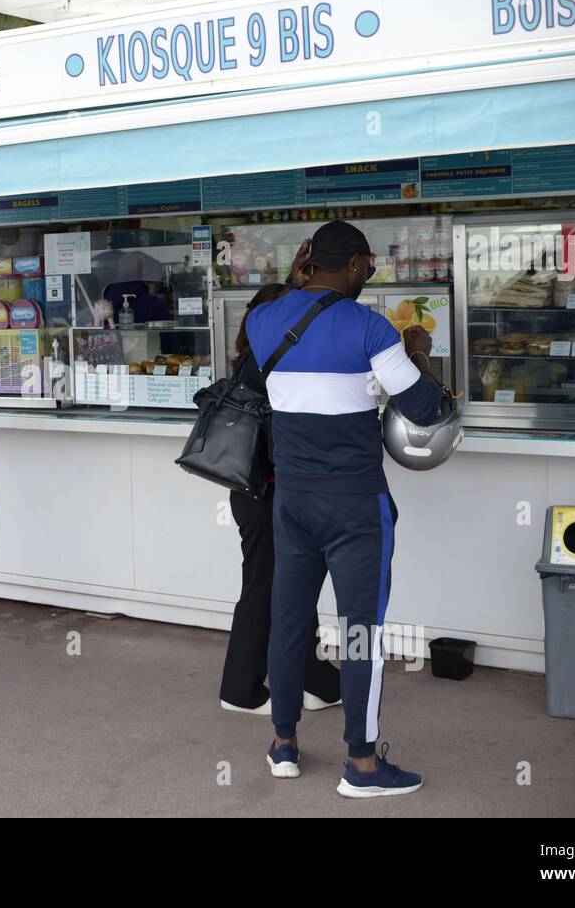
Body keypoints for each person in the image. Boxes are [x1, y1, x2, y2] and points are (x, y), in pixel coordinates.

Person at [245, 220, 441, 797]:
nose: (370, 273)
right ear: (354, 265)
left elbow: (286, 341)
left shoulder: (261, 319)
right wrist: (419, 354)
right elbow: (424, 409)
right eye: (368, 265)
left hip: (292, 500)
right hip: (355, 504)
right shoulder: (371, 328)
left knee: (289, 621)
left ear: (309, 262)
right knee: (361, 632)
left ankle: (283, 743)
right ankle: (363, 764)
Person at [220, 242, 342, 716]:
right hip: (262, 491)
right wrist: (298, 285)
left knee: (293, 585)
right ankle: (240, 690)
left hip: (271, 490)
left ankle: (313, 679)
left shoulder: (257, 362)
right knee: (265, 586)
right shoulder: (262, 365)